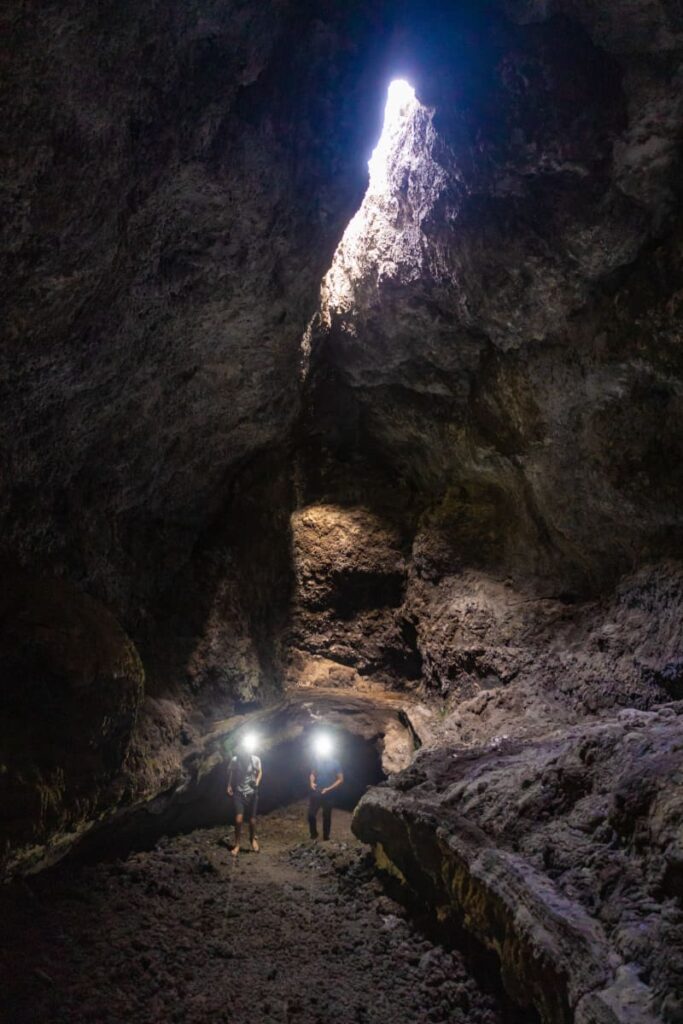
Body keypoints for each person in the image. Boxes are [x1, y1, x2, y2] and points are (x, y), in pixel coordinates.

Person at [227, 748, 262, 856]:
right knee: (238, 820)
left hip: (252, 793)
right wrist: (229, 784)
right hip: (239, 793)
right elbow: (231, 772)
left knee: (252, 821)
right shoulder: (235, 760)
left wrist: (256, 782)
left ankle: (252, 840)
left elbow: (260, 771)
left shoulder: (255, 759)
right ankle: (237, 844)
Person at [308, 751, 344, 840]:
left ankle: (326, 836)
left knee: (327, 815)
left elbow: (340, 779)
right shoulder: (317, 761)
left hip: (329, 793)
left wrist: (329, 789)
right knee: (311, 814)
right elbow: (313, 773)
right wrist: (312, 782)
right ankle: (314, 833)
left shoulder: (335, 763)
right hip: (318, 790)